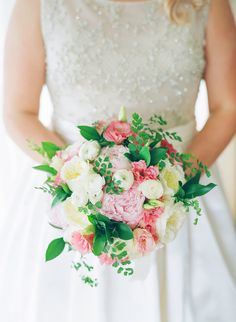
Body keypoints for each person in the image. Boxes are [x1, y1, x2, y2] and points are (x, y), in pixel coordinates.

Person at [1, 0, 236, 321]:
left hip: (179, 192)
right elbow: (18, 111)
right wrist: (78, 181)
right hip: (73, 202)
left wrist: (172, 185)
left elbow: (228, 105)